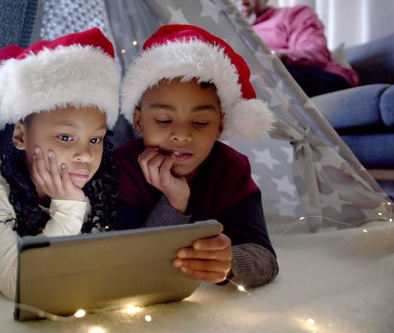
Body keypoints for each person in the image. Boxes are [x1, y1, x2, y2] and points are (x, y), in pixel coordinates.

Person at [0, 28, 121, 300]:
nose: (85, 156)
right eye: (65, 137)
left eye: (95, 140)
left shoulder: (90, 184)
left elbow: (86, 265)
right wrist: (69, 209)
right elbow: (24, 286)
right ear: (20, 135)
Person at [116, 24, 278, 288]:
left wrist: (230, 262)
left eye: (200, 122)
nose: (181, 134)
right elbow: (132, 265)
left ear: (220, 127)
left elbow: (265, 260)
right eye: (163, 120)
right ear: (139, 122)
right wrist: (175, 202)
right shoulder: (121, 168)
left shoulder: (231, 169)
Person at [234, 0, 358, 97]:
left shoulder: (295, 14)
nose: (243, 1)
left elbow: (316, 51)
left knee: (262, 75)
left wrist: (279, 56)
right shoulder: (236, 32)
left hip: (320, 76)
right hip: (266, 79)